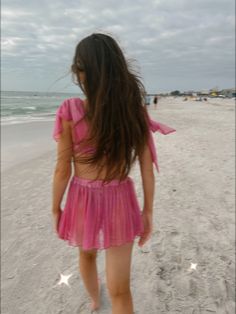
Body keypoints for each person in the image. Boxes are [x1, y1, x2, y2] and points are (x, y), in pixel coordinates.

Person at [51, 33, 176, 314]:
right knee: (121, 289)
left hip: (82, 197)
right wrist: (148, 212)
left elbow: (62, 169)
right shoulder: (133, 110)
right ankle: (102, 299)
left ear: (82, 71)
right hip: (121, 196)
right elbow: (147, 168)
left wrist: (55, 207)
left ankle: (95, 300)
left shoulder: (71, 110)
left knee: (86, 253)